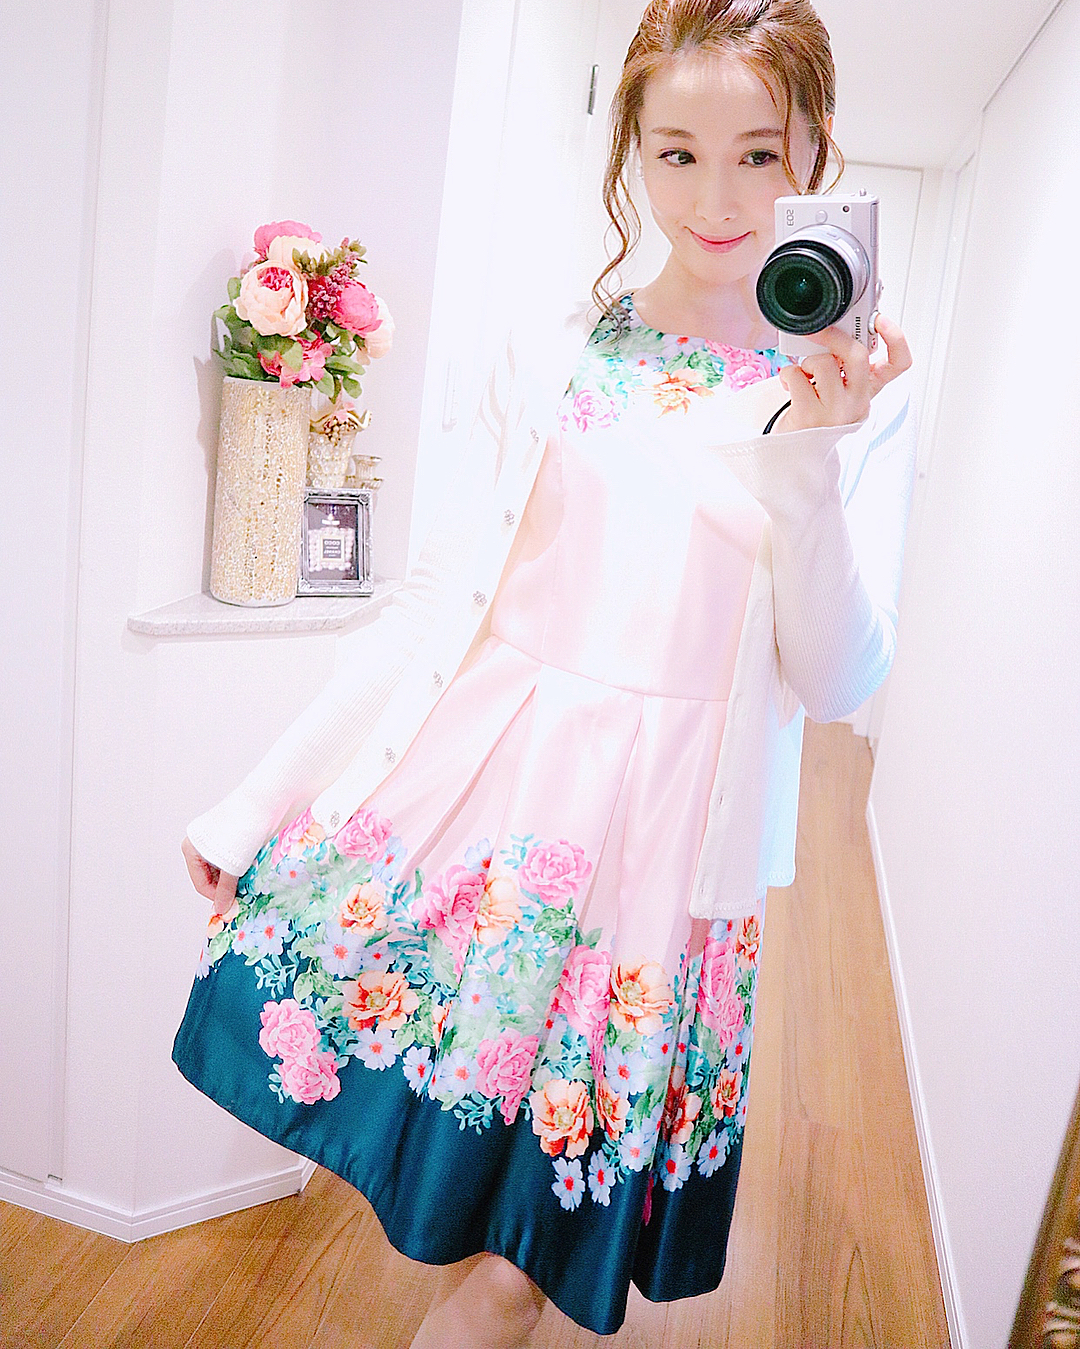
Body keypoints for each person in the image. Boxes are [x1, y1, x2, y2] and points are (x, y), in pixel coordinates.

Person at [174, 1, 916, 1345]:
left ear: (815, 154)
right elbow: (434, 606)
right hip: (491, 809)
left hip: (656, 861)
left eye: (758, 154)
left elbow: (840, 676)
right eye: (678, 153)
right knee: (464, 1197)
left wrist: (812, 457)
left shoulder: (845, 388)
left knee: (523, 1253)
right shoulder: (558, 350)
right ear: (633, 150)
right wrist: (256, 797)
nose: (717, 197)